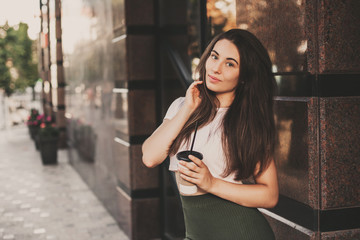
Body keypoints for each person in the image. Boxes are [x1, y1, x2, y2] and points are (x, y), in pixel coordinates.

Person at [142, 29, 278, 240]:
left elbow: (269, 195)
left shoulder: (248, 123)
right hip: (196, 233)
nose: (216, 68)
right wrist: (188, 108)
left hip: (242, 232)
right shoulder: (181, 106)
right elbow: (150, 157)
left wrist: (211, 183)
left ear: (244, 77)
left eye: (230, 63)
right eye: (214, 56)